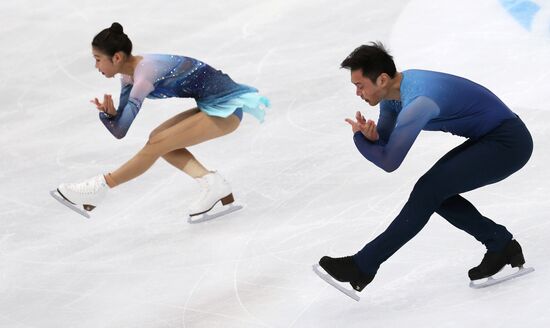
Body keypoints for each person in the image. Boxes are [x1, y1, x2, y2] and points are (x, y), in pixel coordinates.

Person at [318, 42, 533, 292]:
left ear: (382, 79)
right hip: (491, 137)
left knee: (428, 191)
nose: (358, 94)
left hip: (509, 143)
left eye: (360, 85)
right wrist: (372, 137)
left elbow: (389, 162)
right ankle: (500, 245)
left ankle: (363, 265)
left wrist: (358, 137)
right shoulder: (392, 96)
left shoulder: (420, 102)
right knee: (433, 192)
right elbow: (386, 142)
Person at [55, 22, 269, 217]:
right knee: (159, 139)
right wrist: (109, 114)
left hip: (227, 110)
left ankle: (98, 189)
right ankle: (213, 183)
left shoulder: (144, 75)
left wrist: (111, 117)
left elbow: (122, 127)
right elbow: (120, 130)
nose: (96, 66)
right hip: (212, 106)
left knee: (158, 143)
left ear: (117, 57)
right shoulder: (128, 77)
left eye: (98, 59)